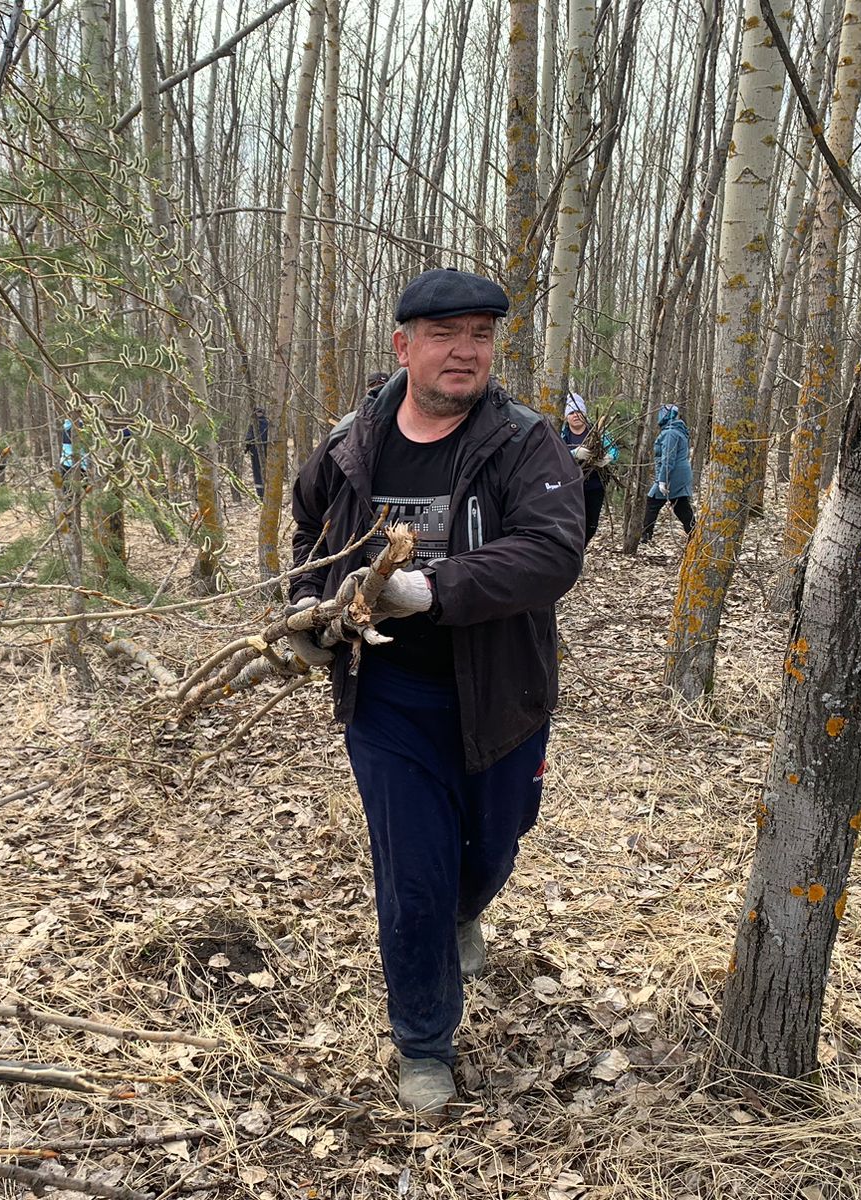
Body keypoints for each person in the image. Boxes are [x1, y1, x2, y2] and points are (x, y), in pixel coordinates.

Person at [287, 269, 585, 1112]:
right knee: (409, 875)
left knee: (490, 851)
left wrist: (430, 588)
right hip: (388, 702)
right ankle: (424, 1044)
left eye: (481, 336)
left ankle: (469, 909)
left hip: (501, 697)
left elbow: (554, 550)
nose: (466, 352)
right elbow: (311, 531)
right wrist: (307, 606)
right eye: (447, 334)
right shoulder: (353, 442)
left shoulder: (526, 441)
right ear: (404, 346)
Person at [560, 393, 617, 545]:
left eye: (578, 411)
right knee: (571, 524)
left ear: (584, 413)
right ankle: (572, 554)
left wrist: (608, 458)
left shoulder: (596, 432)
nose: (575, 415)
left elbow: (613, 449)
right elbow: (554, 454)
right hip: (570, 488)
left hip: (594, 486)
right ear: (566, 417)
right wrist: (573, 453)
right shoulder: (561, 435)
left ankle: (580, 550)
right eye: (571, 412)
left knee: (590, 526)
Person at [642, 403, 695, 543]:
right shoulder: (677, 430)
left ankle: (644, 538)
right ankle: (695, 534)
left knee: (652, 501)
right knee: (681, 505)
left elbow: (668, 458)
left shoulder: (670, 433)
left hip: (673, 474)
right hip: (680, 473)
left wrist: (663, 480)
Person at [243, 406, 270, 499]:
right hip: (266, 451)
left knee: (257, 471)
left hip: (256, 451)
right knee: (264, 470)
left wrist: (247, 448)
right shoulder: (268, 423)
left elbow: (248, 439)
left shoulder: (254, 424)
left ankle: (261, 493)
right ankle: (264, 491)